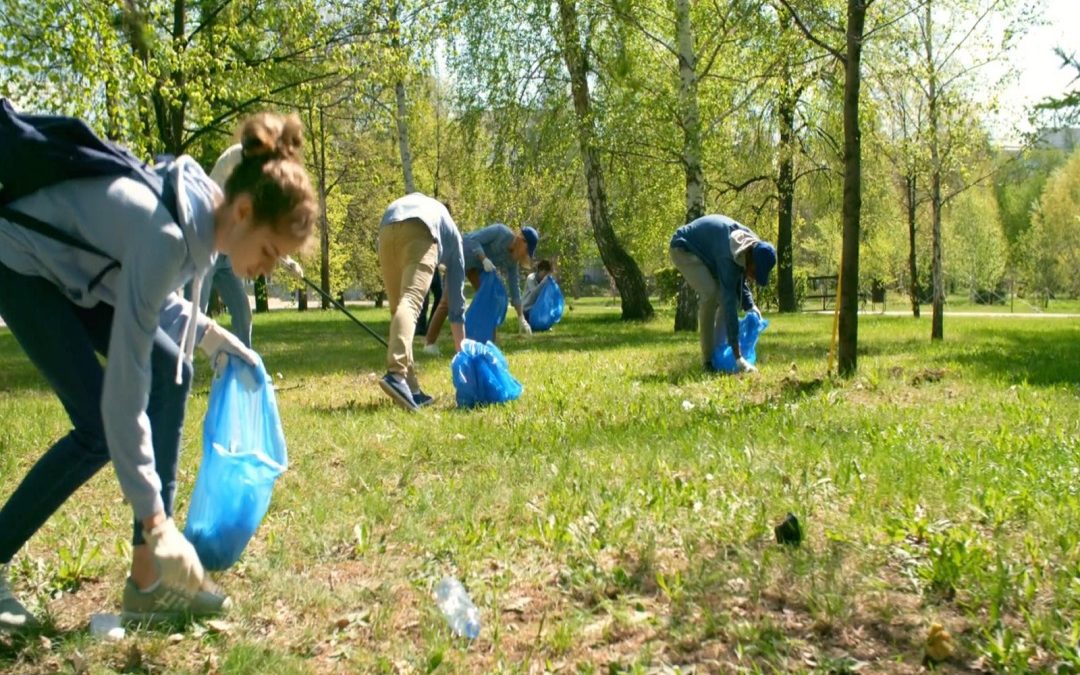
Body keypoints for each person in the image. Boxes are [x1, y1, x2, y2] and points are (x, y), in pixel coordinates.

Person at [0, 112, 317, 630]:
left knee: (174, 367)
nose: (267, 269)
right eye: (269, 251)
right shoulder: (167, 233)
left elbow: (148, 294)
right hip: (20, 262)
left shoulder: (198, 220)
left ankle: (146, 583)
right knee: (98, 427)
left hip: (74, 274)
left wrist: (212, 336)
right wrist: (156, 521)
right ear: (242, 210)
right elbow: (124, 392)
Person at [184, 144, 306, 348]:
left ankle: (246, 361)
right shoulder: (237, 158)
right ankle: (176, 362)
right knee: (193, 315)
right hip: (206, 247)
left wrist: (288, 261)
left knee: (242, 314)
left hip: (227, 256)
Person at [378, 193, 466, 411]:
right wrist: (463, 357)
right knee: (410, 302)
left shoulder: (432, 208)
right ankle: (396, 373)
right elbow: (456, 303)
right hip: (422, 229)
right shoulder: (454, 238)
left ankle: (412, 389)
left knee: (398, 309)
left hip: (387, 227)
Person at [668, 214, 776, 374]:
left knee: (733, 300)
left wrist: (751, 306)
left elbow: (739, 279)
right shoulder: (729, 254)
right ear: (751, 259)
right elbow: (729, 299)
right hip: (683, 248)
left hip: (707, 254)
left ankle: (717, 354)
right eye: (755, 272)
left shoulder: (752, 248)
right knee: (710, 294)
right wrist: (738, 356)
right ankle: (708, 361)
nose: (753, 277)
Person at [423, 223, 538, 351]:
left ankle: (490, 343)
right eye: (527, 250)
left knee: (491, 299)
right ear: (522, 241)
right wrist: (483, 258)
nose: (526, 255)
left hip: (477, 267)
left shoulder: (512, 260)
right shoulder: (500, 232)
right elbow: (473, 240)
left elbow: (514, 285)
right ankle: (429, 343)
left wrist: (521, 317)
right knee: (447, 301)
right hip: (461, 255)